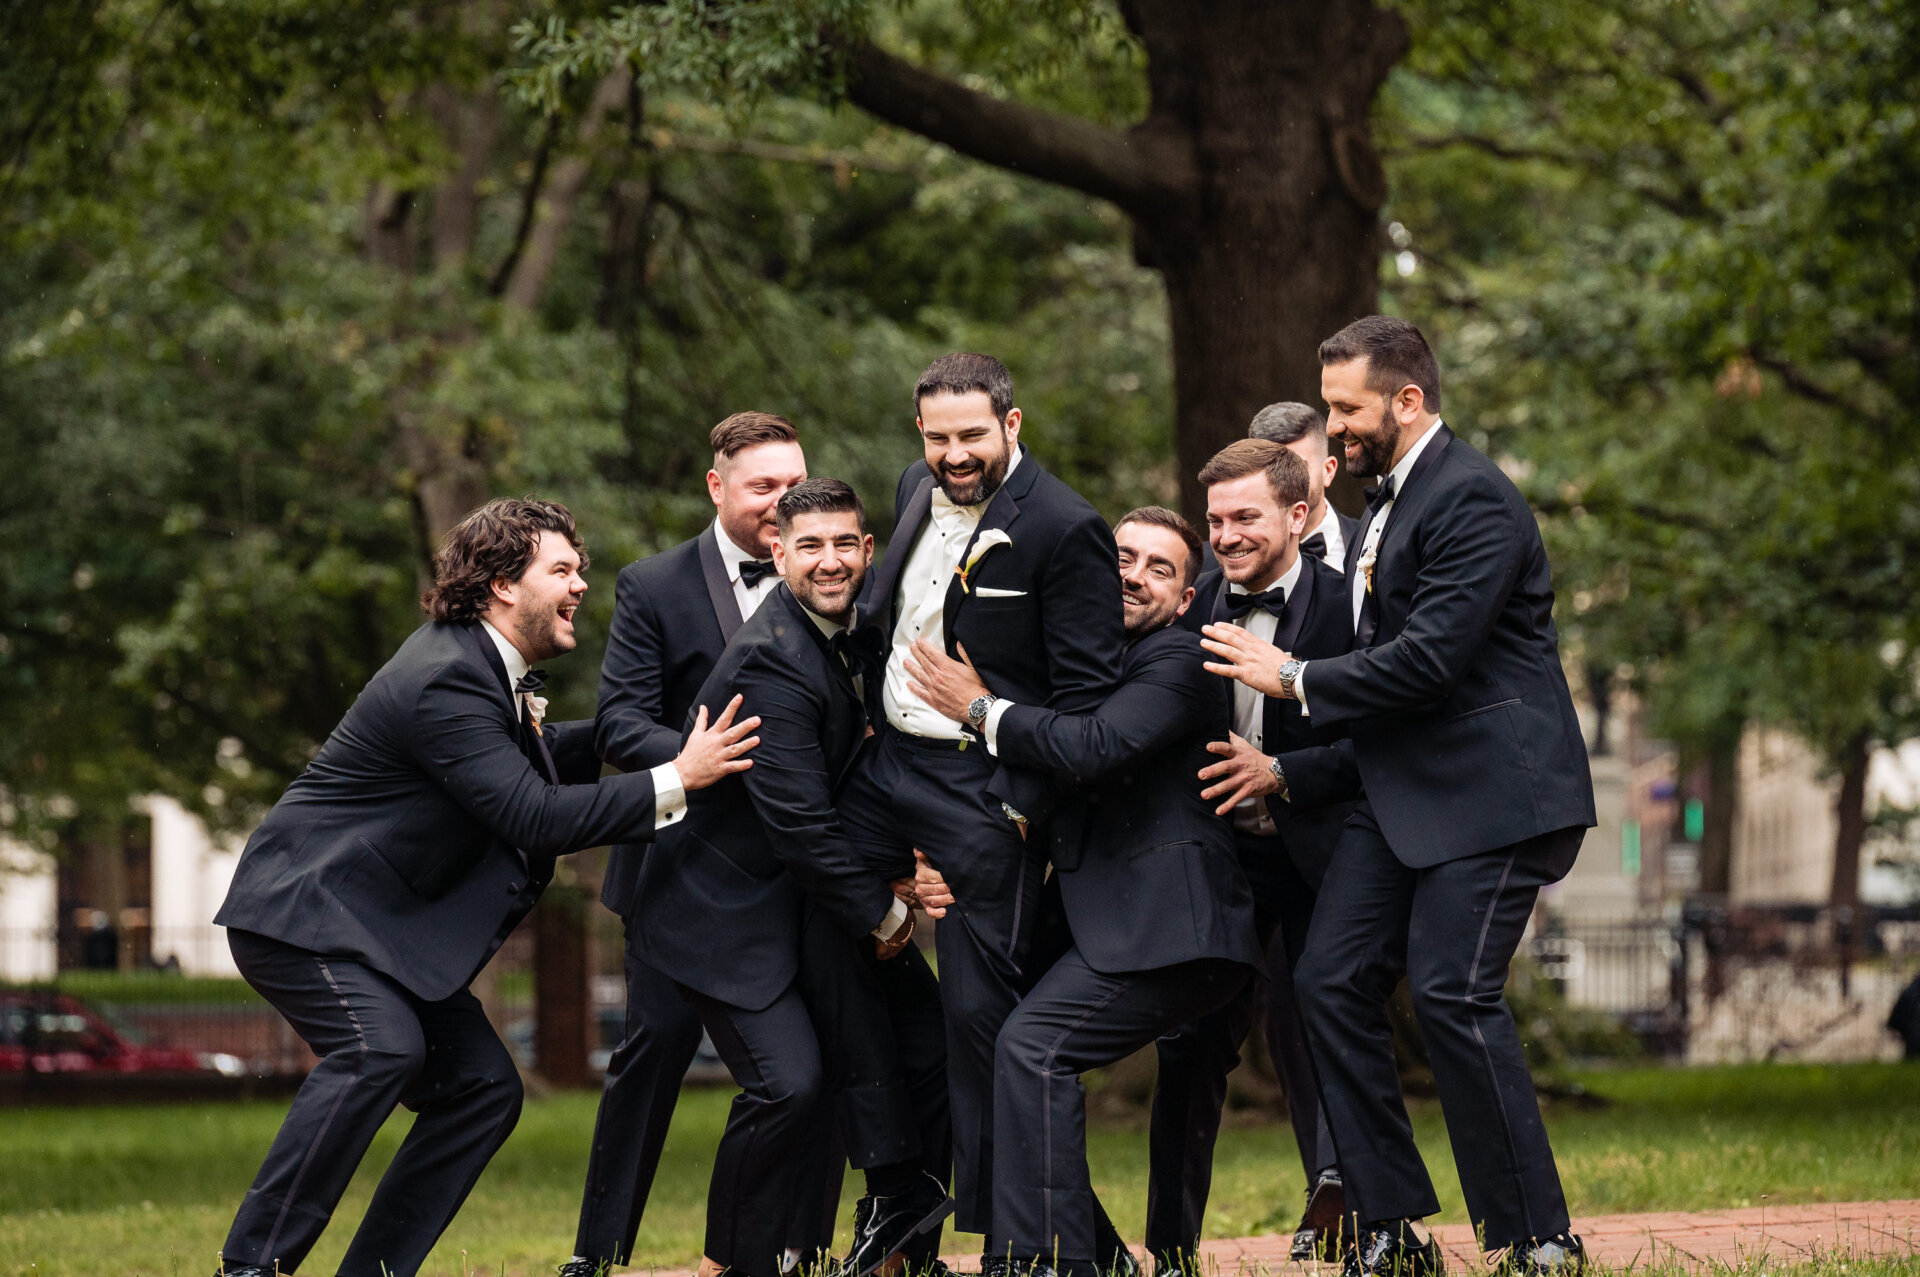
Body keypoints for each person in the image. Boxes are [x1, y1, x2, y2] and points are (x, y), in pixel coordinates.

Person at [211, 498, 758, 1277]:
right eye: (561, 571)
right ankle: (252, 1266)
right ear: (503, 583)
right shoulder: (445, 678)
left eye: (581, 570)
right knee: (378, 1051)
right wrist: (680, 775)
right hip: (309, 916)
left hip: (380, 935)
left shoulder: (482, 668)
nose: (579, 588)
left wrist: (626, 732)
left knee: (482, 1088)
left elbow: (525, 765)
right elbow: (530, 813)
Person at [1200, 316, 1598, 1277]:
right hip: (1406, 794)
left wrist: (1291, 676)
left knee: (1456, 992)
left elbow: (1423, 666)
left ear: (1407, 401)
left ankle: (1539, 1237)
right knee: (1326, 979)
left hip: (1500, 796)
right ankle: (1391, 1225)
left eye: (1346, 408)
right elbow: (1391, 687)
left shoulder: (1474, 501)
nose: (1333, 428)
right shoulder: (1391, 502)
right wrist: (1295, 768)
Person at [904, 507, 1261, 1277]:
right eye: (1122, 557)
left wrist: (978, 705)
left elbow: (1094, 749)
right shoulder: (1080, 666)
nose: (1132, 574)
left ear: (1189, 596)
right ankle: (1083, 1253)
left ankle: (1043, 1261)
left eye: (1158, 567)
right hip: (1105, 921)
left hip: (1174, 926)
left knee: (1034, 1049)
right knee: (996, 1034)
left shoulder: (1178, 659)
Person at [838, 353, 1127, 1252]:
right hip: (886, 771)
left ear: (1010, 422)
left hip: (980, 786)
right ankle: (897, 1193)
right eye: (937, 437)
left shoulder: (1067, 528)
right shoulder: (911, 490)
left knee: (982, 1026)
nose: (953, 455)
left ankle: (1038, 1245)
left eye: (970, 434)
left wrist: (1009, 811)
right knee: (813, 912)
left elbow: (1085, 701)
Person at [628, 479, 951, 1277]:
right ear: (778, 552)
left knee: (929, 1037)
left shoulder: (858, 628)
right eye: (809, 546)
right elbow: (804, 828)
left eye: (845, 543)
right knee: (790, 1086)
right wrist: (887, 915)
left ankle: (895, 1237)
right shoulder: (770, 661)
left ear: (868, 550)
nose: (831, 561)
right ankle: (732, 1264)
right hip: (722, 912)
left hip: (808, 901)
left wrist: (907, 863)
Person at [562, 412, 828, 1277]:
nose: (782, 502)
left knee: (808, 1068)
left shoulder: (831, 577)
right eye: (763, 488)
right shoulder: (653, 583)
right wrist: (689, 759)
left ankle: (786, 1247)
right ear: (718, 486)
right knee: (648, 1065)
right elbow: (615, 719)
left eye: (793, 483)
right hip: (677, 875)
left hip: (793, 873)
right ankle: (596, 1254)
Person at [1148, 440, 1357, 1269]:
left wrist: (1283, 773)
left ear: (1298, 517)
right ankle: (1169, 1247)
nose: (1226, 534)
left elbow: (1383, 746)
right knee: (1190, 1044)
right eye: (1216, 520)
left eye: (1246, 517)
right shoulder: (1185, 605)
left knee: (1325, 1015)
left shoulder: (1351, 607)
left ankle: (1357, 1211)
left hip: (1321, 853)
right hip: (1217, 861)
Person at [1247, 400, 1358, 571]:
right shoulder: (1214, 562)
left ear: (1328, 471)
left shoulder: (1370, 541)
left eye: (1296, 467)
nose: (1282, 482)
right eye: (1268, 470)